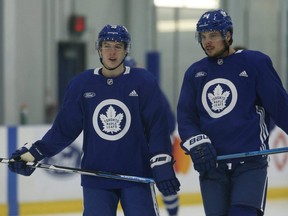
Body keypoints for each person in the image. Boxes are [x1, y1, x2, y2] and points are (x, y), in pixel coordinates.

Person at [8, 24, 180, 216]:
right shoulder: (81, 84)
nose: (112, 52)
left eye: (118, 46)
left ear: (126, 50)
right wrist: (33, 154)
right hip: (96, 178)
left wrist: (162, 161)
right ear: (99, 49)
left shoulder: (143, 81)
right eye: (107, 46)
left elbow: (157, 127)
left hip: (136, 176)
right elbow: (64, 129)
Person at [177, 9, 288, 216]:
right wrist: (196, 141)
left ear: (227, 35)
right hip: (212, 165)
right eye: (203, 36)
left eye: (212, 35)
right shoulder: (194, 73)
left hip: (250, 163)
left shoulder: (255, 63)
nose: (207, 41)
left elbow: (280, 106)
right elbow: (186, 117)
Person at [124, 56, 180, 216]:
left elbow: (168, 121)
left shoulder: (150, 89)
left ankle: (173, 213)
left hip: (155, 146)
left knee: (165, 180)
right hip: (140, 148)